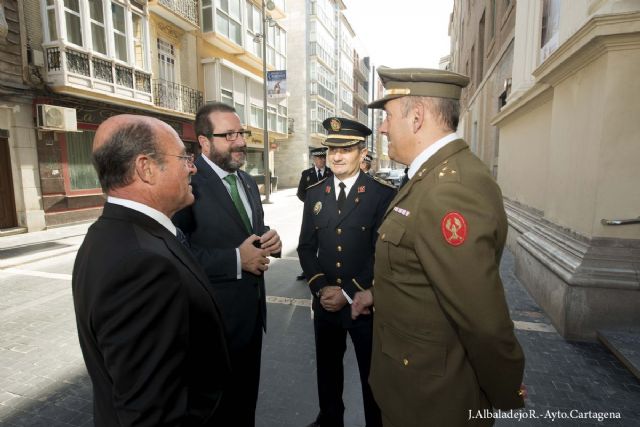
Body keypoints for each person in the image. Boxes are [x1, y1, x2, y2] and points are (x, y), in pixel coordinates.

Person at [352, 67, 526, 426]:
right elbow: (421, 269)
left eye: (387, 117)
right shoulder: (431, 176)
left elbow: (482, 318)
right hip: (412, 387)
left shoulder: (449, 189)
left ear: (416, 118)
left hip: (432, 402)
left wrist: (505, 391)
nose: (383, 128)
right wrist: (378, 292)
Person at [72, 114, 230, 426]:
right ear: (145, 168)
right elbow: (151, 412)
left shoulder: (110, 233)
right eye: (184, 157)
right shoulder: (142, 265)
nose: (193, 167)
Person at [172, 102, 282, 427]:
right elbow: (176, 253)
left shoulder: (247, 180)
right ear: (204, 142)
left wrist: (267, 239)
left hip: (251, 321)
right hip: (213, 328)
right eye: (228, 135)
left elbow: (246, 231)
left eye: (241, 132)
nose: (240, 141)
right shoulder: (188, 185)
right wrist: (236, 259)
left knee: (245, 408)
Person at [298, 117, 396, 427]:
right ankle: (330, 420)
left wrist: (346, 292)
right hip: (325, 304)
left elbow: (383, 253)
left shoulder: (381, 194)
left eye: (346, 149)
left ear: (362, 152)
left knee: (372, 377)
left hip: (362, 305)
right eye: (331, 150)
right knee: (327, 372)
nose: (337, 156)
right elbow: (305, 247)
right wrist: (321, 289)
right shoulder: (315, 193)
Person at [296, 147, 333, 280]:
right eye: (318, 158)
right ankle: (308, 271)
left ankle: (325, 268)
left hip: (328, 213)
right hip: (312, 214)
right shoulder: (306, 173)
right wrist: (311, 205)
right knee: (309, 242)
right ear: (314, 159)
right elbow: (300, 192)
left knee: (325, 241)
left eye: (323, 158)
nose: (322, 160)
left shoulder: (331, 173)